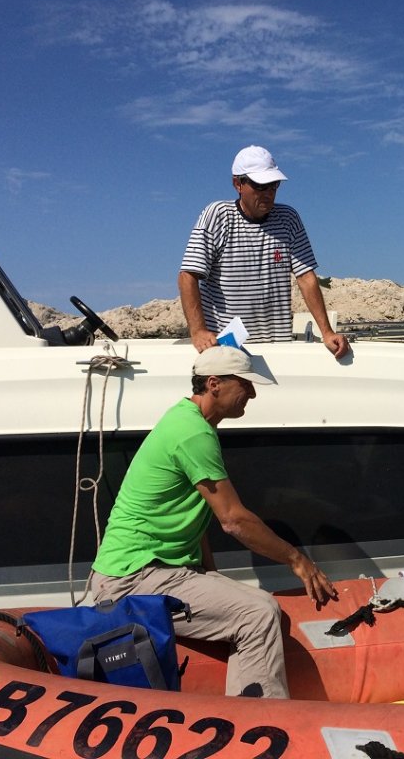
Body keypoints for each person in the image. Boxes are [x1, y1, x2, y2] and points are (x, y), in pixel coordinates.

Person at [90, 345, 338, 698]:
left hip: (145, 570)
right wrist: (297, 560)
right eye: (245, 384)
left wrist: (208, 571)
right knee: (259, 612)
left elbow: (192, 512)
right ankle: (260, 732)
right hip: (132, 578)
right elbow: (234, 520)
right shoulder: (195, 434)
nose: (251, 393)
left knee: (249, 604)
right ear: (214, 384)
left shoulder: (185, 420)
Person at [179, 145, 350, 359]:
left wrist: (326, 332)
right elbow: (188, 276)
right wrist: (198, 331)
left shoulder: (288, 219)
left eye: (273, 185)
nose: (268, 193)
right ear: (237, 184)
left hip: (277, 349)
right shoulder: (217, 216)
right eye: (260, 185)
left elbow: (306, 277)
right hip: (226, 351)